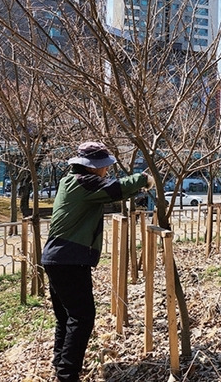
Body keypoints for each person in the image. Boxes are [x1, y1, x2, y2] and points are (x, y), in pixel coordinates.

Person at [41, 141, 154, 382]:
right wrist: (144, 179)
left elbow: (111, 192)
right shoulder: (84, 182)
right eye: (103, 166)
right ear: (92, 167)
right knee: (83, 317)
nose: (106, 170)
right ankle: (67, 374)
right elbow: (115, 189)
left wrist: (137, 189)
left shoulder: (71, 181)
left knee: (67, 317)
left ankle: (60, 364)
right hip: (69, 259)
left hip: (57, 257)